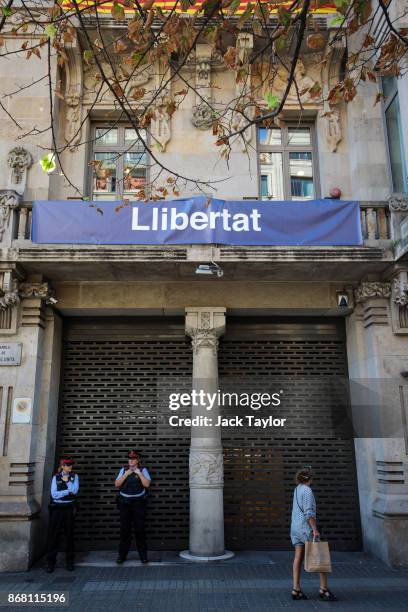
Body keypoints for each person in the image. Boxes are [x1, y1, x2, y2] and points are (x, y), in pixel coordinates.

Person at [290, 468, 336, 601]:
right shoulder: (308, 491)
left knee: (298, 557)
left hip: (295, 528)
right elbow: (308, 513)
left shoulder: (297, 489)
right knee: (320, 555)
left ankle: (296, 589)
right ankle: (324, 589)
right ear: (310, 478)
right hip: (306, 528)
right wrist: (315, 529)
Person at [115, 450, 151, 565]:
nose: (131, 460)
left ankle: (143, 556)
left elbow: (147, 484)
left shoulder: (143, 470)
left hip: (138, 504)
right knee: (125, 530)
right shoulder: (123, 470)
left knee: (140, 530)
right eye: (129, 458)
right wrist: (127, 473)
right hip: (125, 504)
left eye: (133, 458)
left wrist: (138, 473)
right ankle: (122, 556)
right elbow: (117, 484)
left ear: (138, 460)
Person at [46, 457, 79, 573]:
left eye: (71, 465)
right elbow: (54, 494)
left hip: (69, 509)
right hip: (57, 509)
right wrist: (66, 491)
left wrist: (68, 482)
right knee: (53, 536)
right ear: (62, 466)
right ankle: (51, 562)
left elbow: (74, 491)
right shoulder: (56, 477)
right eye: (67, 465)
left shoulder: (74, 477)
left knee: (69, 536)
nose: (70, 467)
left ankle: (70, 561)